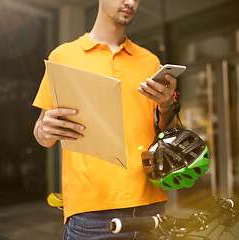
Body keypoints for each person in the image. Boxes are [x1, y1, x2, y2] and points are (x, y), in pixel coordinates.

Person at [32, 0, 177, 239]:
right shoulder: (62, 56)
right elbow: (41, 133)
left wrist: (166, 104)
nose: (130, 2)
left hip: (151, 206)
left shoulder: (150, 62)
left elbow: (161, 132)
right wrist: (44, 130)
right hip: (90, 214)